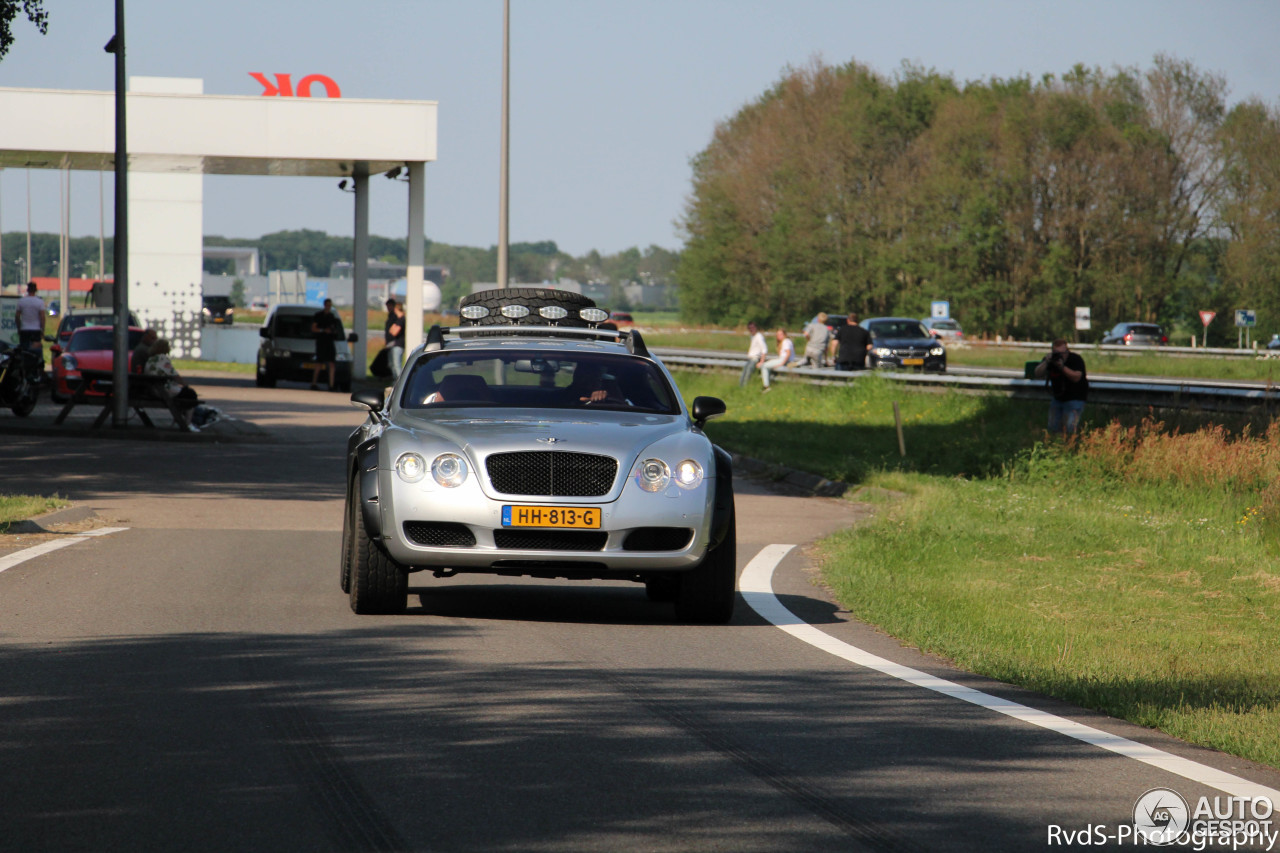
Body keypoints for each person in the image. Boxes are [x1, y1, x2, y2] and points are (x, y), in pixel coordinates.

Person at [1033, 338, 1088, 435]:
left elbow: (1077, 377)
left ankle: (1069, 445)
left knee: (1069, 428)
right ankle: (1055, 444)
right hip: (1058, 397)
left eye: (1063, 353)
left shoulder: (1075, 359)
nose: (1060, 356)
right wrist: (1046, 361)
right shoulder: (1051, 360)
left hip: (1075, 397)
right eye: (1057, 353)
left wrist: (1062, 367)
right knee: (1053, 427)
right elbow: (1037, 373)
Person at [310, 298, 344, 390]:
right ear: (324, 305)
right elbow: (313, 328)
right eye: (327, 305)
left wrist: (333, 332)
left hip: (329, 342)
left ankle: (331, 385)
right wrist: (323, 330)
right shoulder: (318, 316)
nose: (328, 307)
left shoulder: (332, 317)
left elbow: (335, 329)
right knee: (319, 363)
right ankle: (314, 383)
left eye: (330, 305)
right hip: (321, 342)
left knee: (332, 364)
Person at [15, 281, 46, 372]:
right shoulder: (39, 302)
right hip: (35, 330)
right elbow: (42, 317)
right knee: (36, 353)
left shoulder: (21, 301)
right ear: (35, 290)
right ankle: (36, 370)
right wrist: (42, 330)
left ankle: (25, 370)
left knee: (24, 352)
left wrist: (19, 328)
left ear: (27, 290)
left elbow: (17, 316)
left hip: (24, 330)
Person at [760, 328, 795, 392]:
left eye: (781, 334)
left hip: (784, 360)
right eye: (778, 335)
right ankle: (768, 384)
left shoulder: (786, 341)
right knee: (767, 365)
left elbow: (788, 354)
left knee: (764, 366)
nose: (779, 336)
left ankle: (766, 386)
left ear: (784, 334)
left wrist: (781, 364)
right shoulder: (785, 341)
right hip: (783, 359)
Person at [383, 298, 406, 381]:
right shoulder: (394, 317)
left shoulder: (400, 319)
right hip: (392, 344)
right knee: (392, 365)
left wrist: (393, 328)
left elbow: (393, 332)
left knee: (397, 366)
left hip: (397, 344)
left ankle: (400, 382)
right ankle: (396, 382)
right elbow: (391, 330)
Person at [740, 322, 768, 386]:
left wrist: (761, 361)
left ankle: (744, 387)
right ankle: (741, 386)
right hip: (751, 358)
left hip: (755, 359)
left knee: (748, 374)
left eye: (753, 327)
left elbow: (764, 349)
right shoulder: (752, 336)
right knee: (744, 373)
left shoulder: (759, 336)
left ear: (756, 327)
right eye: (749, 328)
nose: (751, 329)